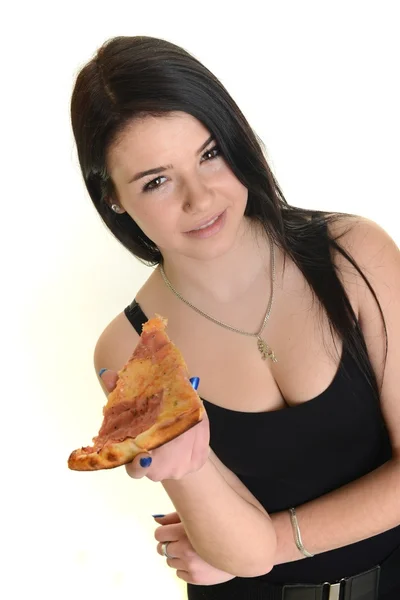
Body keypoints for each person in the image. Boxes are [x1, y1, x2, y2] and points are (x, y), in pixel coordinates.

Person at [70, 35, 400, 599]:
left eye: (209, 153)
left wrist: (269, 541)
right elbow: (238, 557)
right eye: (156, 180)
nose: (200, 199)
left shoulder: (356, 255)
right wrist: (185, 463)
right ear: (114, 199)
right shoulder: (128, 350)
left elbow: (253, 550)